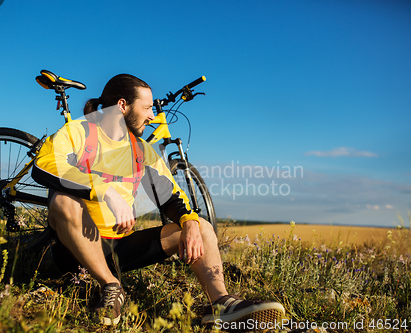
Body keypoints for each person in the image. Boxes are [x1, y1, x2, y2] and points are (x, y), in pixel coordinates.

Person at [32, 74, 285, 327]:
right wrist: (104, 190)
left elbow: (171, 197)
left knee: (201, 227)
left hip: (120, 246)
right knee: (63, 201)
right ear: (122, 105)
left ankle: (221, 304)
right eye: (146, 107)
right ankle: (111, 287)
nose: (152, 115)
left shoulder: (142, 150)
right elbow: (45, 167)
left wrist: (189, 222)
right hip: (75, 249)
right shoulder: (78, 131)